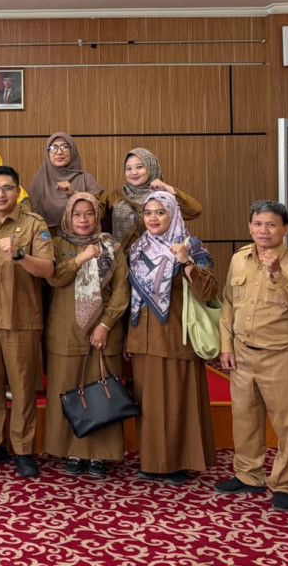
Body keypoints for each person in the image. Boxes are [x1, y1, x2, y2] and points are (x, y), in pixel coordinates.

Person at [215, 200, 288, 512]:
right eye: (258, 224)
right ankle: (249, 474)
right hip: (243, 355)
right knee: (245, 419)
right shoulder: (239, 259)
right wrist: (226, 345)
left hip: (281, 356)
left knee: (286, 424)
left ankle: (284, 483)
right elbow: (228, 303)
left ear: (285, 229)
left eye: (271, 224)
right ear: (250, 227)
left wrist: (277, 274)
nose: (263, 230)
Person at [0, 165, 54, 478]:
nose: (0, 194)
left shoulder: (34, 224)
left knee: (22, 388)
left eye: (6, 188)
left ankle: (23, 448)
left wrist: (20, 255)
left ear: (17, 191)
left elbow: (47, 270)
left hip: (21, 318)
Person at [126, 191, 217, 485]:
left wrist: (186, 262)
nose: (153, 218)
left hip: (177, 337)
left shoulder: (191, 245)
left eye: (160, 212)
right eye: (148, 213)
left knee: (179, 403)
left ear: (172, 213)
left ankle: (180, 462)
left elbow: (209, 291)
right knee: (149, 405)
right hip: (143, 338)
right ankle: (152, 462)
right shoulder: (137, 247)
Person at [44, 193, 129, 478]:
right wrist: (80, 259)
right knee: (66, 388)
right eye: (77, 214)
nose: (83, 219)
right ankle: (71, 450)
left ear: (97, 216)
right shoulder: (57, 244)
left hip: (103, 333)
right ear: (68, 216)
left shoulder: (112, 247)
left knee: (100, 391)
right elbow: (54, 278)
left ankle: (98, 454)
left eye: (89, 213)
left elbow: (122, 289)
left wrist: (105, 324)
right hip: (65, 330)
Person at [107, 147, 202, 251]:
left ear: (151, 167)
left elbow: (194, 211)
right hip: (121, 257)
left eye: (139, 167)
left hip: (154, 257)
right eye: (128, 168)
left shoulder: (163, 195)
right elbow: (99, 217)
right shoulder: (117, 194)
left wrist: (168, 189)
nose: (133, 172)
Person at [28, 132, 105, 233]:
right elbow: (29, 218)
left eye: (64, 147)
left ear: (72, 150)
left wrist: (76, 194)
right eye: (53, 147)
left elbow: (100, 212)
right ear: (47, 152)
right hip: (47, 239)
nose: (59, 152)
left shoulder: (86, 179)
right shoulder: (39, 182)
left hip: (80, 238)